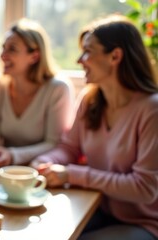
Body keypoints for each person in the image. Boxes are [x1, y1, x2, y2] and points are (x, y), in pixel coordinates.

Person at [31, 15, 158, 240]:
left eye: (88, 51)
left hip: (144, 222)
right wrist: (46, 161)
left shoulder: (151, 110)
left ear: (115, 56)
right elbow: (69, 148)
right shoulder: (90, 100)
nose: (80, 60)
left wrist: (72, 174)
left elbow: (145, 188)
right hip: (97, 207)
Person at [0, 18, 74, 169]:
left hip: (39, 172)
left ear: (34, 57)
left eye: (12, 49)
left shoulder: (58, 89)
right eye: (3, 48)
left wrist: (12, 155)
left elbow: (53, 144)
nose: (2, 55)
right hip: (2, 170)